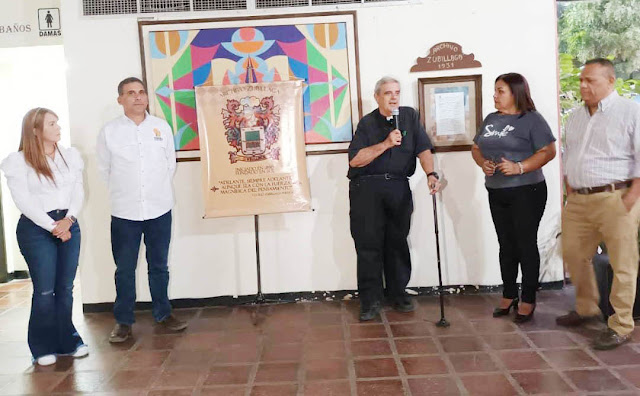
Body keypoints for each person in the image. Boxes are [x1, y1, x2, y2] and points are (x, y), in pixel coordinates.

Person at [558, 58, 640, 350]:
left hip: (616, 197)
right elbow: (572, 153)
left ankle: (620, 324)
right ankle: (586, 308)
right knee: (572, 253)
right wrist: (569, 187)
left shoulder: (630, 111)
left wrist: (633, 195)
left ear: (610, 81)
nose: (583, 85)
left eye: (590, 80)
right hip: (579, 199)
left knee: (623, 263)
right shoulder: (577, 116)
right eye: (581, 80)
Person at [97, 77, 187, 343]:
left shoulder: (161, 127)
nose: (137, 97)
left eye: (141, 92)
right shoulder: (109, 131)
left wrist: (152, 191)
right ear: (120, 100)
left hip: (159, 208)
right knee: (124, 268)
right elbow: (105, 170)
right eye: (130, 93)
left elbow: (170, 164)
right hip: (125, 212)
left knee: (158, 265)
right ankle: (123, 321)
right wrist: (128, 192)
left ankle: (163, 314)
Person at [348, 76, 441, 322]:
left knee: (397, 242)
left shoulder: (409, 116)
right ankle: (370, 300)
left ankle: (398, 294)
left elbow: (423, 148)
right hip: (367, 188)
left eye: (397, 92)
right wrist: (386, 143)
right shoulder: (367, 124)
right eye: (388, 93)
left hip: (398, 186)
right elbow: (355, 160)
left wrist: (431, 173)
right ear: (377, 96)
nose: (394, 97)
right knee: (369, 246)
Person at [0, 108, 88, 365]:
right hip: (36, 229)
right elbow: (24, 201)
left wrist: (68, 220)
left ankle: (68, 341)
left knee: (65, 288)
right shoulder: (18, 161)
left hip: (69, 223)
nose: (58, 127)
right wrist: (53, 226)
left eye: (57, 122)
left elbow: (78, 191)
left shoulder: (70, 156)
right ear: (35, 131)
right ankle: (41, 346)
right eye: (52, 123)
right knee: (44, 290)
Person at [472, 73, 556, 323]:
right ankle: (509, 293)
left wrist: (520, 167)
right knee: (506, 244)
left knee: (525, 244)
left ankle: (528, 298)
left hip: (527, 191)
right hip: (497, 191)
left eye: (500, 91)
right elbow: (476, 148)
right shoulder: (490, 119)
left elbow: (548, 151)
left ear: (515, 93)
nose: (495, 96)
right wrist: (483, 164)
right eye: (495, 91)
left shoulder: (531, 120)